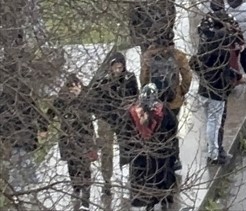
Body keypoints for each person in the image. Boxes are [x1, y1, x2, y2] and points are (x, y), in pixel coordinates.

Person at [192, 0, 241, 165]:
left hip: (204, 88)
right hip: (217, 90)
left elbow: (194, 62)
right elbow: (239, 39)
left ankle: (214, 148)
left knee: (210, 121)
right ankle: (215, 153)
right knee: (216, 121)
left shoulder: (204, 47)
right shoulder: (222, 53)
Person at [89, 52, 139, 198]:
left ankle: (127, 176)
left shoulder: (129, 78)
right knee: (106, 150)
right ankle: (107, 180)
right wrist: (101, 114)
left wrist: (129, 106)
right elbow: (94, 101)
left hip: (124, 118)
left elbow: (135, 95)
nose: (117, 71)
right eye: (115, 67)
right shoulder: (101, 81)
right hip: (106, 119)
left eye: (120, 67)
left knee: (127, 147)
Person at [126, 84, 178, 210]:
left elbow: (126, 133)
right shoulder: (164, 112)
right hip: (160, 151)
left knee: (144, 178)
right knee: (162, 175)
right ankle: (163, 198)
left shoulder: (132, 113)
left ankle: (148, 202)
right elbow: (173, 128)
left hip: (140, 151)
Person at [48, 74, 97, 209]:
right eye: (72, 87)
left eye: (77, 86)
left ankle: (86, 197)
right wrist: (43, 127)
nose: (75, 89)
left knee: (85, 167)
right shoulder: (61, 100)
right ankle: (76, 188)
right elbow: (49, 114)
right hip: (67, 138)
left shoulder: (86, 97)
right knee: (72, 166)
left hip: (85, 138)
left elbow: (96, 108)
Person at [140, 39, 192, 119]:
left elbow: (144, 80)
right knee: (172, 127)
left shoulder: (148, 56)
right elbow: (187, 77)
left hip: (155, 101)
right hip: (174, 101)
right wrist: (181, 91)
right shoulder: (178, 55)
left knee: (156, 128)